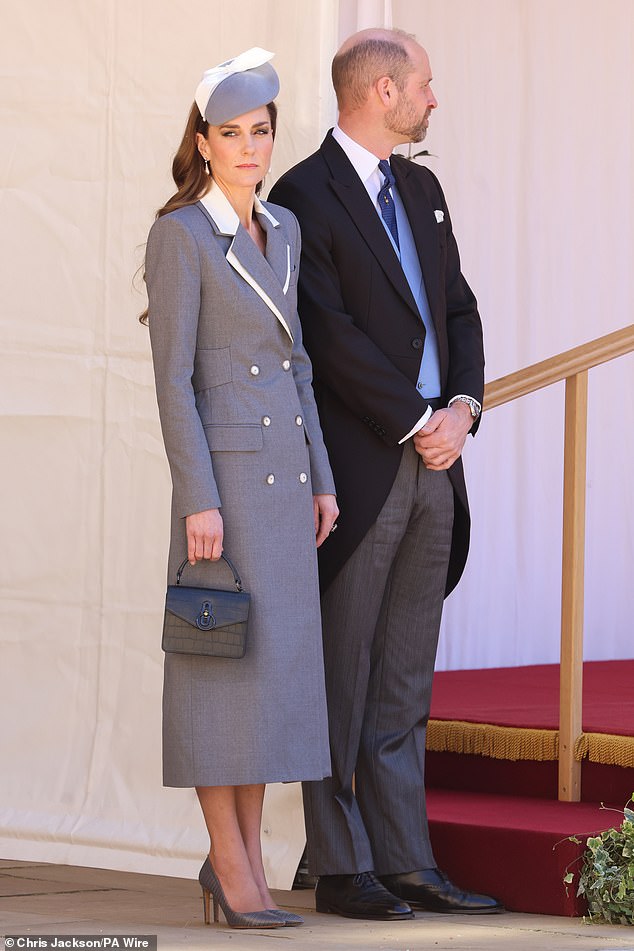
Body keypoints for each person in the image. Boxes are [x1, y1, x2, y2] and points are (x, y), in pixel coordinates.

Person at [269, 29, 502, 920]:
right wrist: (415, 419)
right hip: (364, 470)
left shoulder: (425, 187)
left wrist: (463, 410)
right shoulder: (301, 196)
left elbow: (459, 311)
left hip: (436, 467)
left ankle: (407, 859)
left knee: (407, 675)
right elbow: (327, 335)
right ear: (381, 89)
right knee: (342, 670)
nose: (433, 100)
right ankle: (339, 864)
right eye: (425, 86)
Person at [144, 48, 338, 930]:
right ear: (204, 141)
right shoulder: (181, 235)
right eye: (234, 134)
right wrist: (198, 498)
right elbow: (173, 379)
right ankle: (230, 865)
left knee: (263, 684)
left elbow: (298, 365)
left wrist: (324, 481)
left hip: (285, 489)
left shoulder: (284, 229)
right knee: (218, 678)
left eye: (261, 132)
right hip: (222, 492)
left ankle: (247, 866)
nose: (252, 148)